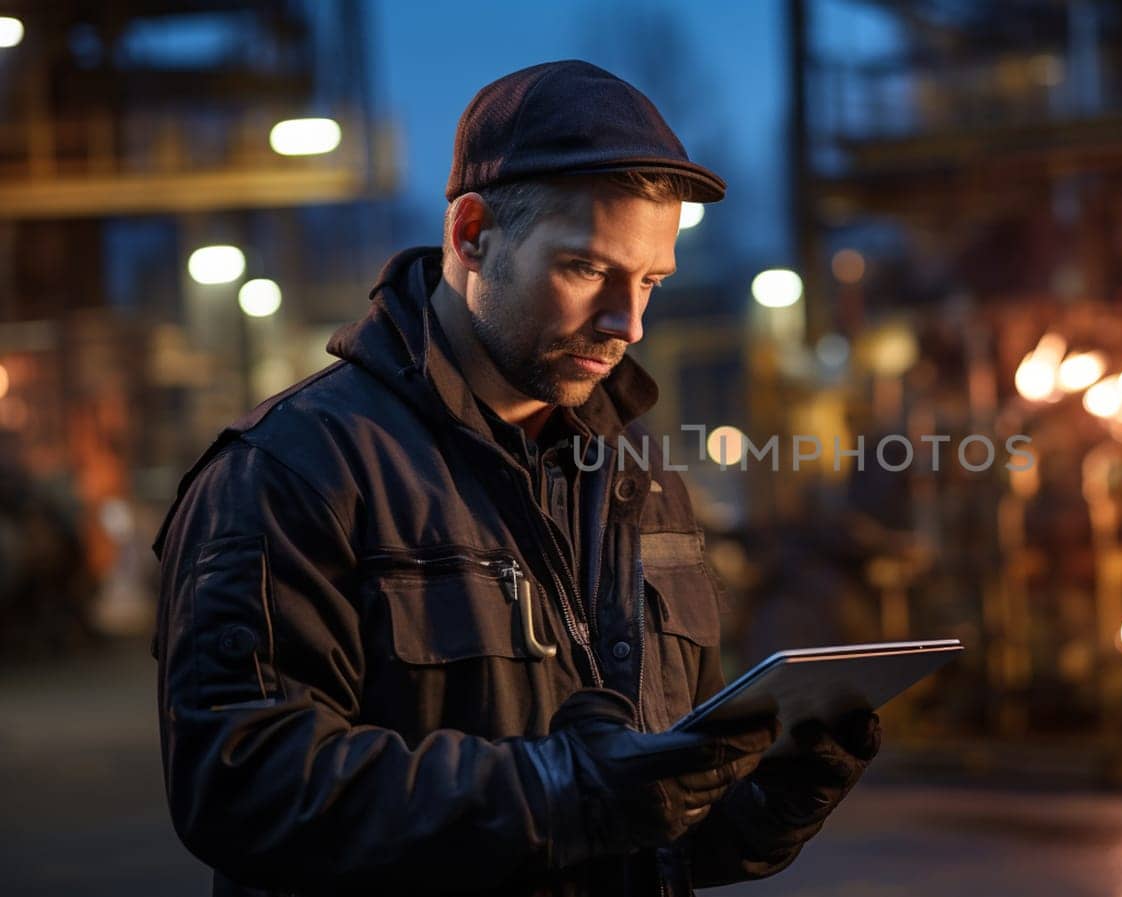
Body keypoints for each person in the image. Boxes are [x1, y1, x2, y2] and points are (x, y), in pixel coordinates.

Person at [152, 60, 880, 897]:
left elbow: (654, 815)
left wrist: (765, 802)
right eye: (586, 269)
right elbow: (241, 785)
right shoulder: (294, 471)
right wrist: (558, 791)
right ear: (471, 235)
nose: (628, 323)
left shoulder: (640, 478)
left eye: (649, 282)